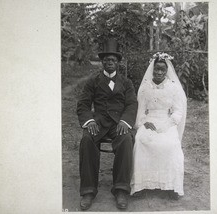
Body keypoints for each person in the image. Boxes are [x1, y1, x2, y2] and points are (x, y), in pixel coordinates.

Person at [77, 39, 138, 210]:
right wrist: (89, 121)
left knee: (126, 140)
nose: (109, 62)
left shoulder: (126, 83)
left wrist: (125, 121)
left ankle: (121, 189)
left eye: (113, 60)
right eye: (106, 60)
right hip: (98, 123)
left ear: (118, 63)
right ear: (102, 62)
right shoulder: (93, 81)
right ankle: (88, 191)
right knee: (87, 140)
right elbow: (83, 104)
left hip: (118, 124)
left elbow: (132, 104)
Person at [130, 52, 187, 199]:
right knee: (142, 141)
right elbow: (140, 110)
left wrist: (168, 124)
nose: (159, 72)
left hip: (167, 121)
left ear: (167, 71)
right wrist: (143, 122)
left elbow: (178, 111)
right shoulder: (145, 88)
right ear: (152, 69)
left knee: (171, 144)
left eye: (162, 69)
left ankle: (170, 185)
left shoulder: (173, 88)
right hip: (149, 121)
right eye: (157, 69)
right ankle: (142, 184)